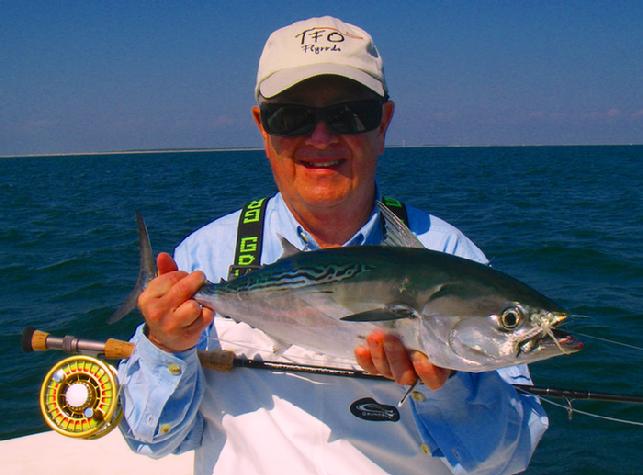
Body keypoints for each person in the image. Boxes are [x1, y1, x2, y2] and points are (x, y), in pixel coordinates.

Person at [118, 16, 548, 475]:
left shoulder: (449, 253)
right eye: (292, 117)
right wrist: (166, 347)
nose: (320, 138)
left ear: (383, 124)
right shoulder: (207, 256)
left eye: (349, 114)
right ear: (263, 129)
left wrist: (449, 388)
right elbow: (153, 441)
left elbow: (509, 459)